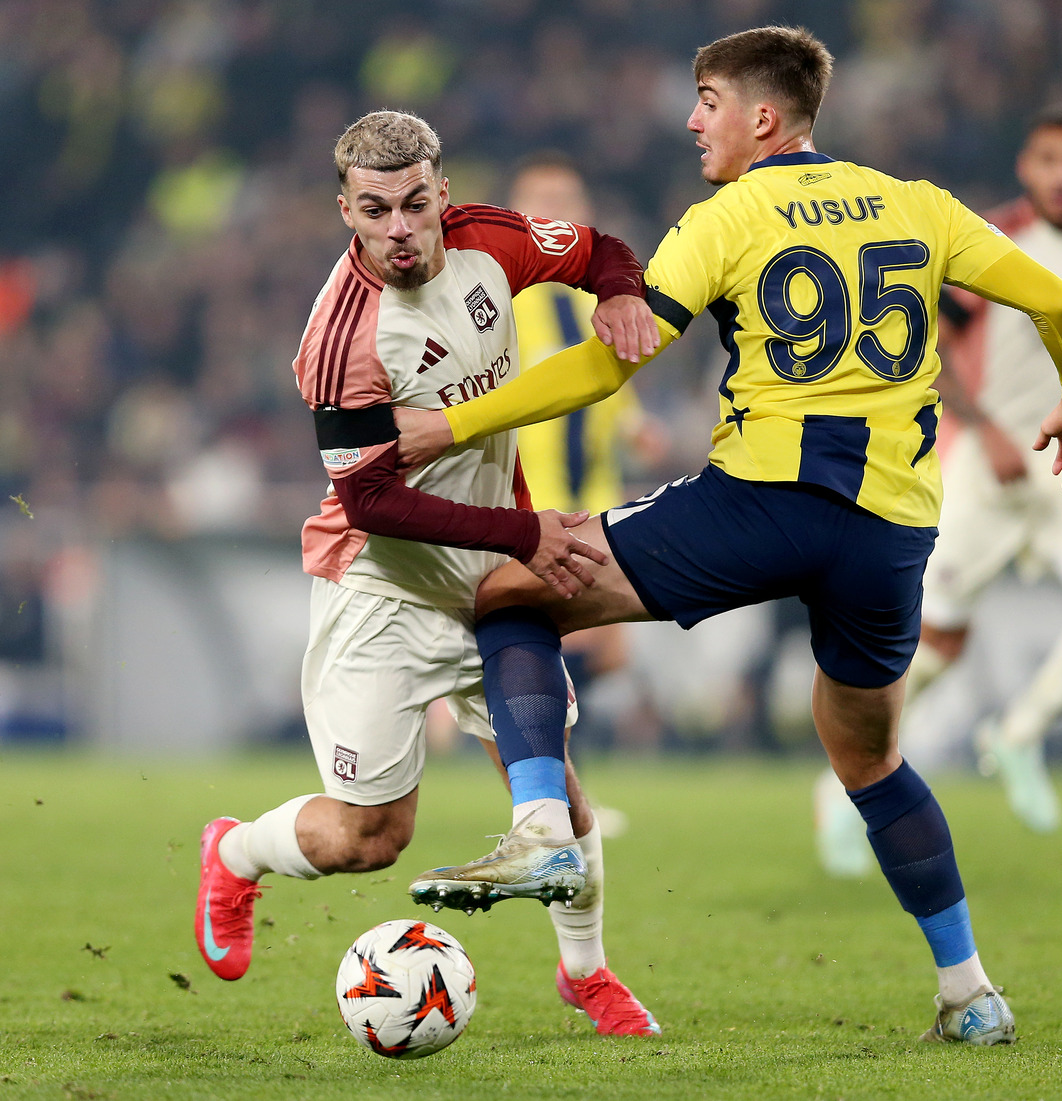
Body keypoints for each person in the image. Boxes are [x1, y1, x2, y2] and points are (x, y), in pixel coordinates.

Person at [393, 26, 1062, 1046]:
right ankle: (970, 994)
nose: (692, 120)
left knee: (511, 593)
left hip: (762, 502)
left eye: (707, 99)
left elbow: (608, 366)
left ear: (761, 118)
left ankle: (544, 830)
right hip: (892, 532)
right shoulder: (918, 203)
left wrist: (450, 423)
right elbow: (1056, 299)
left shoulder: (726, 217)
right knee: (867, 762)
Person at [193, 109, 663, 1037]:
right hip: (385, 585)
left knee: (558, 794)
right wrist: (523, 529)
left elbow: (602, 246)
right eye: (377, 210)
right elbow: (371, 501)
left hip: (492, 568)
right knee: (372, 835)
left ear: (442, 192)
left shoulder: (488, 239)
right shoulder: (340, 342)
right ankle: (237, 851)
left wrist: (618, 291)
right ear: (346, 211)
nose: (401, 228)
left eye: (415, 203)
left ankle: (586, 973)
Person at [813, 106, 1062, 875]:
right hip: (985, 468)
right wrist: (987, 428)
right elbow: (925, 341)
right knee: (936, 645)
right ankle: (838, 789)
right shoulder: (986, 239)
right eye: (1048, 159)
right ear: (1026, 171)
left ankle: (1019, 733)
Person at [508, 152, 666, 751]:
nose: (551, 214)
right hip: (530, 497)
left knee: (611, 644)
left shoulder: (593, 300)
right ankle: (516, 742)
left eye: (564, 202)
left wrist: (636, 428)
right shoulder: (500, 297)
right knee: (558, 633)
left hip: (595, 494)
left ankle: (524, 734)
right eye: (538, 203)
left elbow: (608, 388)